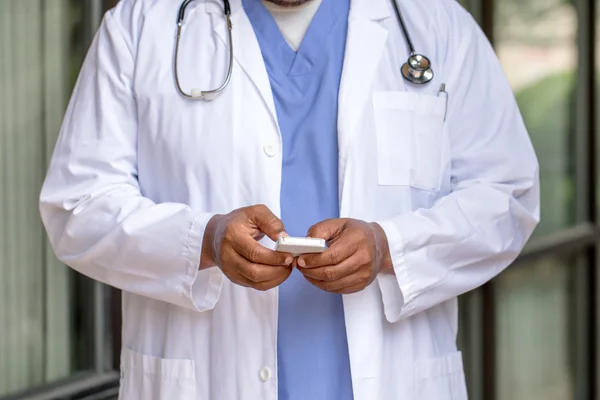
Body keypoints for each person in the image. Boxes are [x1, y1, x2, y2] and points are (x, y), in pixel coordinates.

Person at [39, 0, 539, 397]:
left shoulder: (435, 24)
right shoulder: (140, 27)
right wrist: (204, 241)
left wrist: (391, 248)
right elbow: (77, 205)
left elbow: (506, 195)